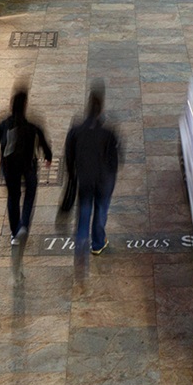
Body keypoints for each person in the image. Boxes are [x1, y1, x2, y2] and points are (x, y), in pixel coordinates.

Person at [0, 89, 53, 245]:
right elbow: (44, 143)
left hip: (9, 168)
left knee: (13, 197)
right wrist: (48, 157)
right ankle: (24, 225)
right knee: (29, 194)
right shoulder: (32, 126)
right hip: (28, 165)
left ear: (11, 105)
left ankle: (15, 233)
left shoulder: (1, 126)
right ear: (25, 105)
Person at [64, 83, 121, 257]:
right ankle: (97, 243)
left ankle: (81, 244)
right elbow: (115, 160)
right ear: (101, 108)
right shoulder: (108, 133)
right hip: (103, 181)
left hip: (85, 180)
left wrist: (73, 175)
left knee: (84, 211)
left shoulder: (76, 130)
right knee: (101, 210)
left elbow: (69, 155)